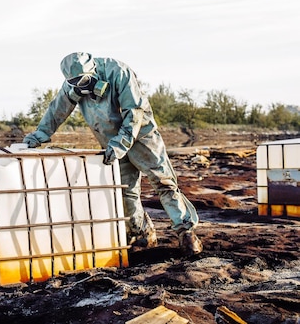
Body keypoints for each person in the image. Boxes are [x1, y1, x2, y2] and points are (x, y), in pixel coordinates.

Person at [23, 52, 203, 256]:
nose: (82, 86)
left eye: (85, 81)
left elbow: (134, 112)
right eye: (75, 83)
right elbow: (57, 110)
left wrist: (122, 143)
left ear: (93, 71)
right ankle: (141, 233)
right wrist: (40, 134)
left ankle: (186, 232)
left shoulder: (118, 72)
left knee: (163, 182)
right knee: (125, 190)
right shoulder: (72, 87)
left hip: (141, 136)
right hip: (110, 141)